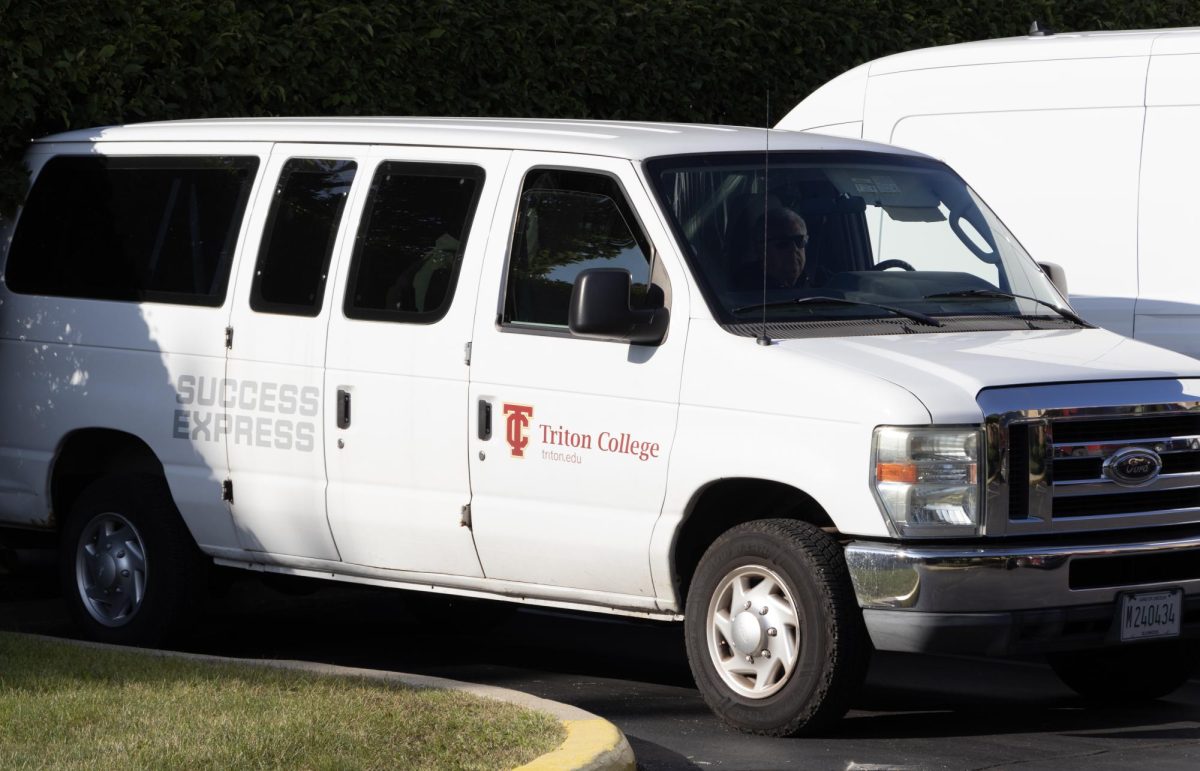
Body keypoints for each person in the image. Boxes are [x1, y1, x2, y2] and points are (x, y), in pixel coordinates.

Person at [736, 206, 810, 289]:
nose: (794, 249)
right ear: (760, 248)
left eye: (799, 240)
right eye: (783, 242)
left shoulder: (819, 281)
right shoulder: (743, 288)